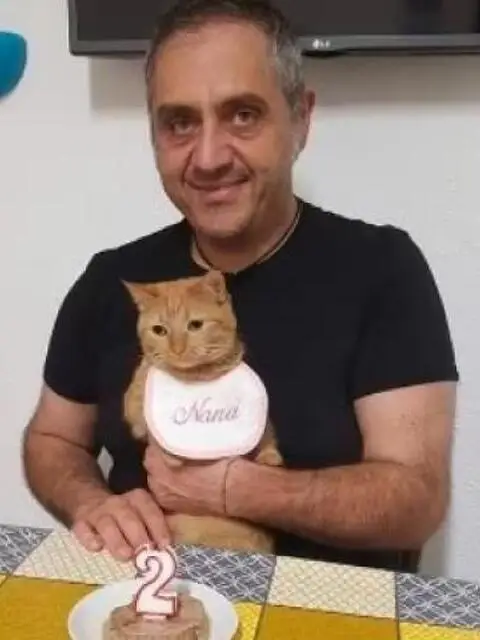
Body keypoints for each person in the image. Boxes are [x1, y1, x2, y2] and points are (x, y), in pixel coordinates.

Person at [22, 0, 458, 572]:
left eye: (243, 115)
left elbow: (416, 500)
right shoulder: (112, 280)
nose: (208, 157)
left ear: (300, 120)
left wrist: (235, 491)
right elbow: (52, 441)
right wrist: (91, 502)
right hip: (147, 596)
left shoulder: (383, 269)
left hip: (324, 607)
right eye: (180, 123)